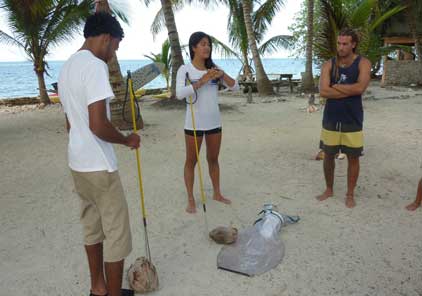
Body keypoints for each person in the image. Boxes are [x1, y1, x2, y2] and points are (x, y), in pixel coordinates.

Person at [58, 12, 139, 296]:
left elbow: (71, 123)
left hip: (77, 163)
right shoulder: (94, 66)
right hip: (99, 166)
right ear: (106, 38)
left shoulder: (67, 67)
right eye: (115, 47)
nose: (113, 54)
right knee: (117, 234)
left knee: (92, 227)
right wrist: (126, 139)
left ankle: (98, 289)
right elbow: (98, 124)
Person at [175, 31, 239, 213]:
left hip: (214, 123)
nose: (207, 47)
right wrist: (201, 81)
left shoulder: (215, 69)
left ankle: (217, 193)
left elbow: (235, 87)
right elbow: (179, 94)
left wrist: (222, 75)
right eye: (203, 44)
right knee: (191, 161)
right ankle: (190, 199)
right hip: (193, 124)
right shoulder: (185, 70)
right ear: (193, 47)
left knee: (213, 159)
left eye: (208, 44)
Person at [316, 28, 371, 208]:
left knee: (353, 157)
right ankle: (329, 189)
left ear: (353, 44)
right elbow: (323, 91)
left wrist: (336, 87)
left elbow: (360, 88)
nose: (341, 47)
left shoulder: (363, 63)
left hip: (353, 118)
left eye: (345, 44)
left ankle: (350, 194)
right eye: (339, 43)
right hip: (331, 118)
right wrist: (349, 89)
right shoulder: (328, 65)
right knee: (328, 155)